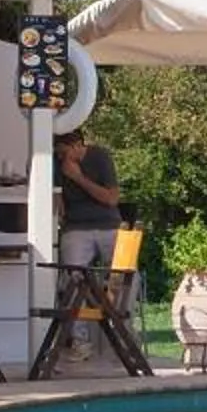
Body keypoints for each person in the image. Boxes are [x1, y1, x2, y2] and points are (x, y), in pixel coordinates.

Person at [56, 134, 122, 363]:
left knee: (122, 275)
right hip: (76, 227)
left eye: (64, 152)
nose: (61, 157)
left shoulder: (100, 157)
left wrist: (78, 178)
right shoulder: (56, 164)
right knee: (73, 278)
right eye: (58, 153)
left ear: (78, 146)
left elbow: (112, 198)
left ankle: (123, 334)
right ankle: (79, 341)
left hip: (108, 224)